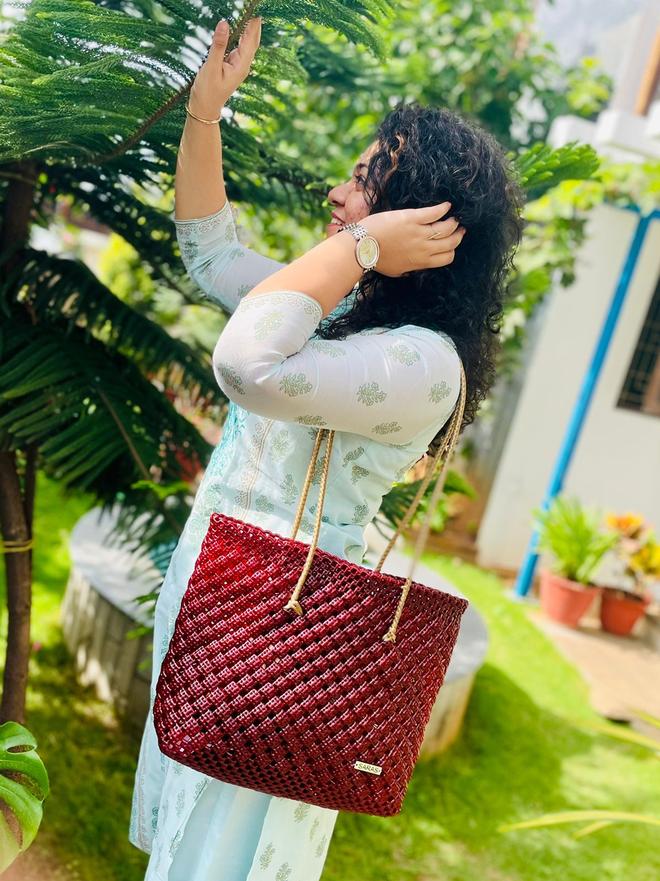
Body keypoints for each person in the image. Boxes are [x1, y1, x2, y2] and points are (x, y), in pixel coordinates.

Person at [128, 15, 524, 881]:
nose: (337, 199)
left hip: (287, 640)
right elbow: (214, 256)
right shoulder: (345, 314)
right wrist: (204, 114)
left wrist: (360, 247)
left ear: (426, 220)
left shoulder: (422, 364)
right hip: (228, 609)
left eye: (363, 184)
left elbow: (246, 362)